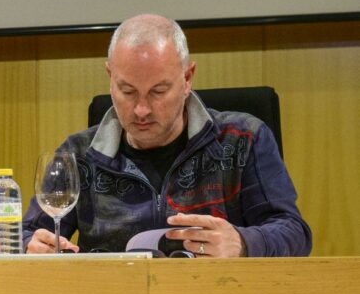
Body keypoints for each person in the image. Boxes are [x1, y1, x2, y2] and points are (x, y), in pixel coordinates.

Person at [23, 13, 311, 257]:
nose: (141, 109)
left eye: (158, 92)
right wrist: (32, 246)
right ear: (110, 77)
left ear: (187, 79)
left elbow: (294, 232)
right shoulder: (80, 155)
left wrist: (243, 243)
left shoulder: (242, 139)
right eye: (127, 91)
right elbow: (28, 234)